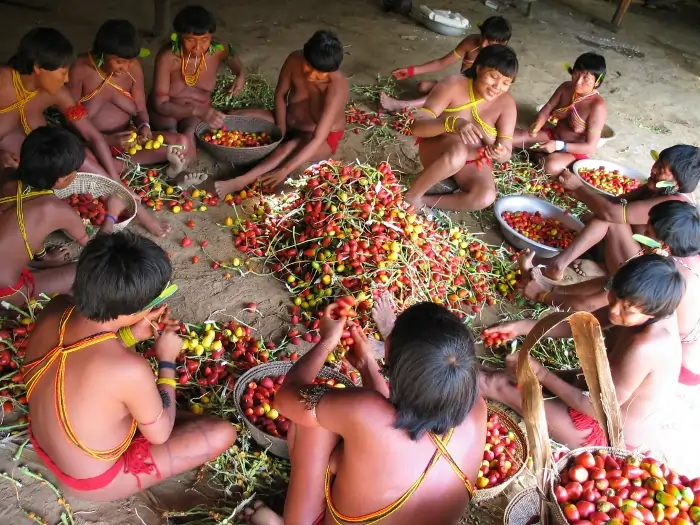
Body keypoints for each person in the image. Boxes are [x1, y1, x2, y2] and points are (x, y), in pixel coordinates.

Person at [20, 231, 237, 502]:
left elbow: (85, 355)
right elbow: (160, 435)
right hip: (90, 480)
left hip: (49, 441)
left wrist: (131, 335)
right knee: (222, 433)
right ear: (136, 310)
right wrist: (166, 360)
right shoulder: (129, 370)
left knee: (133, 402)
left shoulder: (56, 307)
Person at [244, 297, 486, 525]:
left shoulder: (364, 411)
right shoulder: (477, 409)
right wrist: (366, 364)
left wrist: (327, 341)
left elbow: (285, 400)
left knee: (313, 424)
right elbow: (387, 422)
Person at [481, 254, 684, 451]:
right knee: (508, 375)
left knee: (495, 384)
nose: (614, 310)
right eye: (614, 297)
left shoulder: (645, 347)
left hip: (606, 430)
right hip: (593, 388)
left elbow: (597, 408)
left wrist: (540, 373)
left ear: (652, 313)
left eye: (627, 310)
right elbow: (577, 327)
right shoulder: (636, 303)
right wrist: (520, 327)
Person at [0, 27, 170, 237]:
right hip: (12, 165)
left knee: (82, 155)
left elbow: (92, 135)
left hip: (47, 159)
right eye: (62, 72)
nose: (65, 79)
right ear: (38, 68)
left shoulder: (57, 94)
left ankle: (129, 203)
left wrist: (115, 182)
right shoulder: (2, 82)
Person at [519, 200, 700, 386]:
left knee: (622, 317)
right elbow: (613, 284)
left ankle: (569, 382)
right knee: (622, 293)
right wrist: (551, 290)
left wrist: (542, 296)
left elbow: (590, 306)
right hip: (673, 345)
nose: (643, 235)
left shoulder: (666, 277)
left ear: (663, 246)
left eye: (648, 234)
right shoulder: (676, 256)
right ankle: (558, 283)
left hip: (682, 365)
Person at [521, 144, 700, 281]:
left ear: (676, 183)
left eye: (662, 170)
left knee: (607, 219)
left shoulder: (671, 204)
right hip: (634, 251)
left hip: (643, 274)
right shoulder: (659, 187)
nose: (653, 170)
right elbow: (618, 201)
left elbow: (611, 213)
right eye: (658, 163)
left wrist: (580, 188)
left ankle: (557, 265)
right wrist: (577, 193)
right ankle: (604, 267)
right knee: (591, 217)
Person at [0, 126, 126, 306]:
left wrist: (44, 256)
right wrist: (112, 214)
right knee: (93, 268)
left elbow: (24, 227)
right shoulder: (56, 209)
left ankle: (40, 264)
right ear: (61, 180)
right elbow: (96, 249)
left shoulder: (7, 175)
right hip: (5, 293)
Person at [68, 20, 201, 188]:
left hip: (128, 140)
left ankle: (155, 171)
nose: (125, 67)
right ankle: (149, 172)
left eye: (129, 61)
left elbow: (140, 110)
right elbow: (70, 120)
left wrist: (144, 126)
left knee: (181, 142)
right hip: (91, 144)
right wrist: (107, 140)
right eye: (118, 61)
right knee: (80, 157)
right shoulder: (80, 69)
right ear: (101, 54)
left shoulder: (133, 68)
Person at [215, 30, 348, 196]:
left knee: (289, 148)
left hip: (320, 138)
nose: (311, 75)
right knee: (239, 116)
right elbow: (280, 95)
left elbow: (318, 137)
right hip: (288, 120)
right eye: (308, 66)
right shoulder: (294, 60)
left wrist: (285, 170)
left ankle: (240, 181)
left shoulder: (337, 89)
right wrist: (281, 129)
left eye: (320, 72)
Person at [403, 44, 517, 213]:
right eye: (493, 77)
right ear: (479, 69)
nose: (497, 87)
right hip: (439, 150)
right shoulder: (453, 84)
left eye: (506, 82)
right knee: (457, 152)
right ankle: (412, 196)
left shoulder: (507, 104)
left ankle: (425, 200)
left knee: (485, 197)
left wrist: (500, 154)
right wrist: (451, 123)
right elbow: (416, 127)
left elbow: (506, 152)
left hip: (473, 162)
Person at [150, 5, 245, 146]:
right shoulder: (168, 58)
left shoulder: (218, 49)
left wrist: (240, 73)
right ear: (178, 37)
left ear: (211, 37)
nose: (198, 47)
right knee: (170, 134)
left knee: (190, 134)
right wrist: (196, 111)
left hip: (201, 108)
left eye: (204, 40)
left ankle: (181, 162)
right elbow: (161, 104)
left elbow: (231, 54)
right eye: (190, 40)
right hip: (168, 109)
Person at [380, 16, 512, 113]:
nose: (483, 44)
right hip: (461, 86)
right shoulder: (471, 42)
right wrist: (412, 70)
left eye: (490, 42)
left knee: (443, 95)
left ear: (504, 43)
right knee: (423, 86)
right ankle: (433, 105)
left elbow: (499, 91)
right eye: (483, 37)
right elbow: (441, 62)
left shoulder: (502, 60)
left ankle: (403, 106)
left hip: (478, 98)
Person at [513, 53, 607, 176]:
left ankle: (541, 155)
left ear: (597, 82)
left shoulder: (597, 107)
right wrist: (538, 123)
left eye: (586, 78)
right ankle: (541, 155)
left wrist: (558, 146)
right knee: (512, 137)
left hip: (574, 151)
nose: (578, 82)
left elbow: (590, 147)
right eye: (576, 74)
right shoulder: (566, 88)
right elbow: (549, 107)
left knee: (550, 166)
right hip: (552, 136)